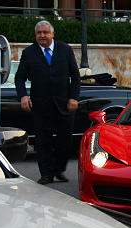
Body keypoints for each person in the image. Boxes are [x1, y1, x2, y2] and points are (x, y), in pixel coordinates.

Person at [15, 20, 81, 184]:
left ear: (52, 34)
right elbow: (19, 78)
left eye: (45, 32)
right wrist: (23, 96)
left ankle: (59, 170)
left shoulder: (65, 50)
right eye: (39, 33)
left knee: (64, 140)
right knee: (43, 141)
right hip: (40, 105)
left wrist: (74, 97)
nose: (42, 36)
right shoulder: (29, 53)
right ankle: (46, 174)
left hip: (64, 104)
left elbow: (75, 75)